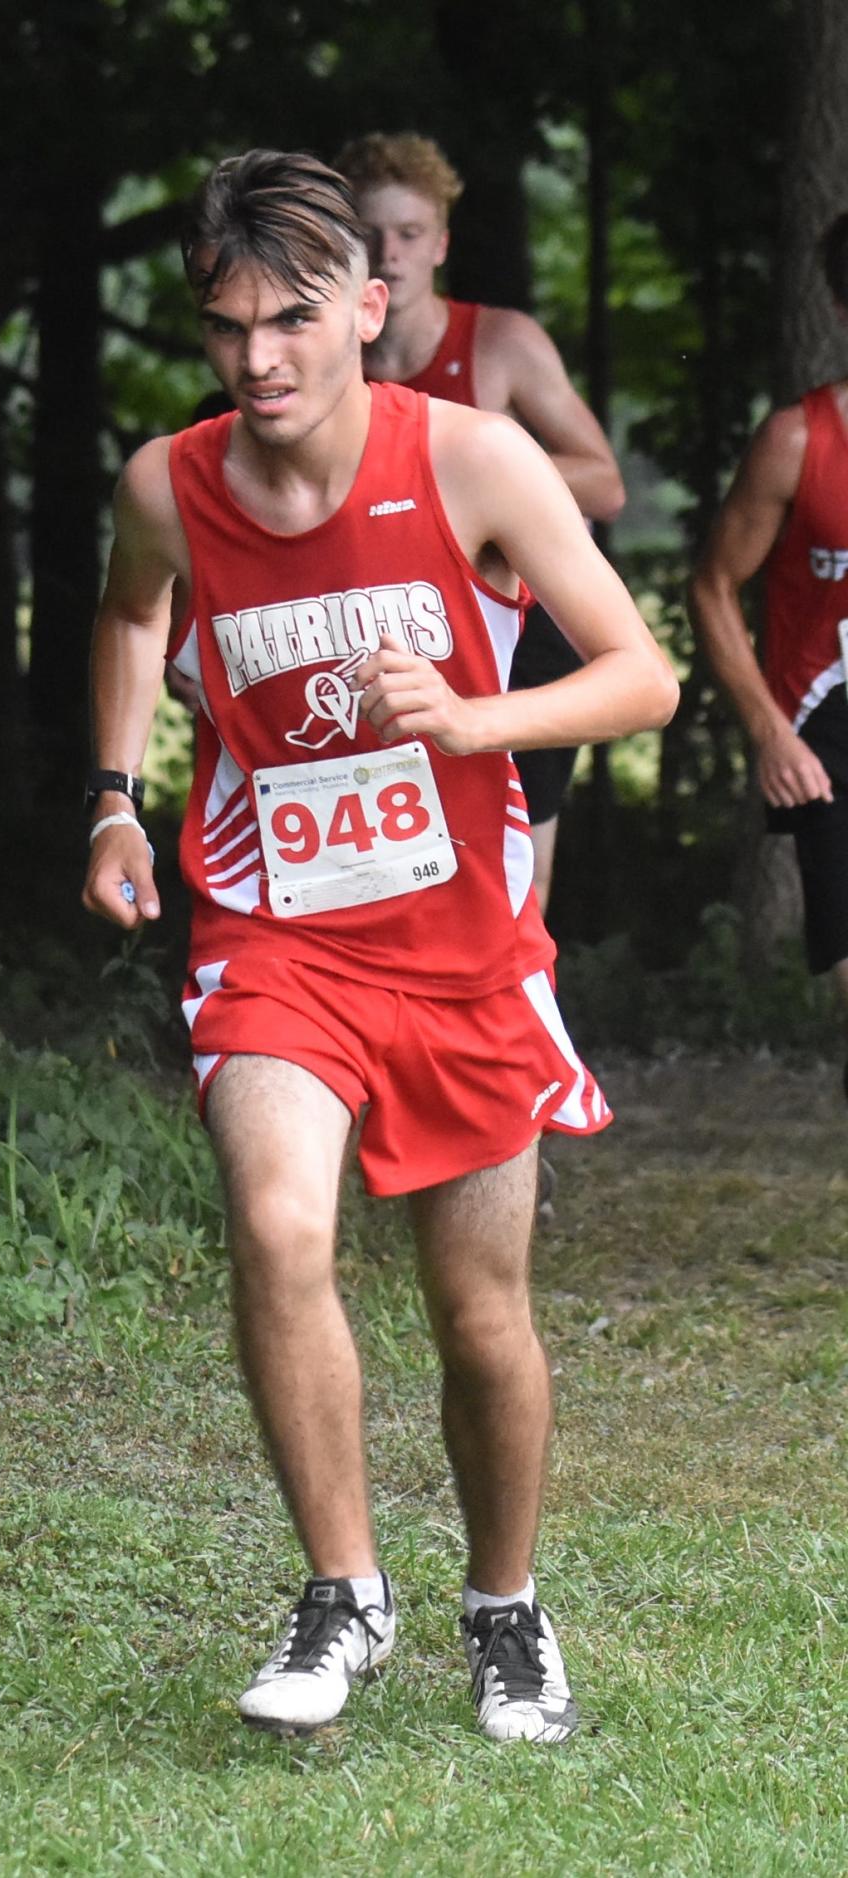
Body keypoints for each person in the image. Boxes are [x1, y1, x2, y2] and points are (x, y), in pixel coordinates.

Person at [82, 148, 678, 1745]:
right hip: (276, 934)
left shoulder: (476, 461)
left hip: (466, 948)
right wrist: (114, 802)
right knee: (279, 1226)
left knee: (479, 1312)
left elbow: (644, 678)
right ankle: (344, 1593)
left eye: (290, 318)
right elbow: (134, 612)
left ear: (371, 302)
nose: (259, 358)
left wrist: (475, 713)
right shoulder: (170, 484)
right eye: (225, 327)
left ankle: (506, 1606)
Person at [336, 131, 626, 917]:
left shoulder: (498, 344)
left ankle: (528, 1024)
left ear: (441, 244)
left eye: (408, 234)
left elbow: (604, 485)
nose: (388, 252)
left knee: (517, 865)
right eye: (369, 233)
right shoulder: (320, 361)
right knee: (389, 859)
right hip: (387, 627)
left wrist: (469, 488)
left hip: (524, 627)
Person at [689, 213, 848, 1097]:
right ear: (840, 305)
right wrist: (770, 732)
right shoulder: (799, 438)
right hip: (830, 731)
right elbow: (713, 584)